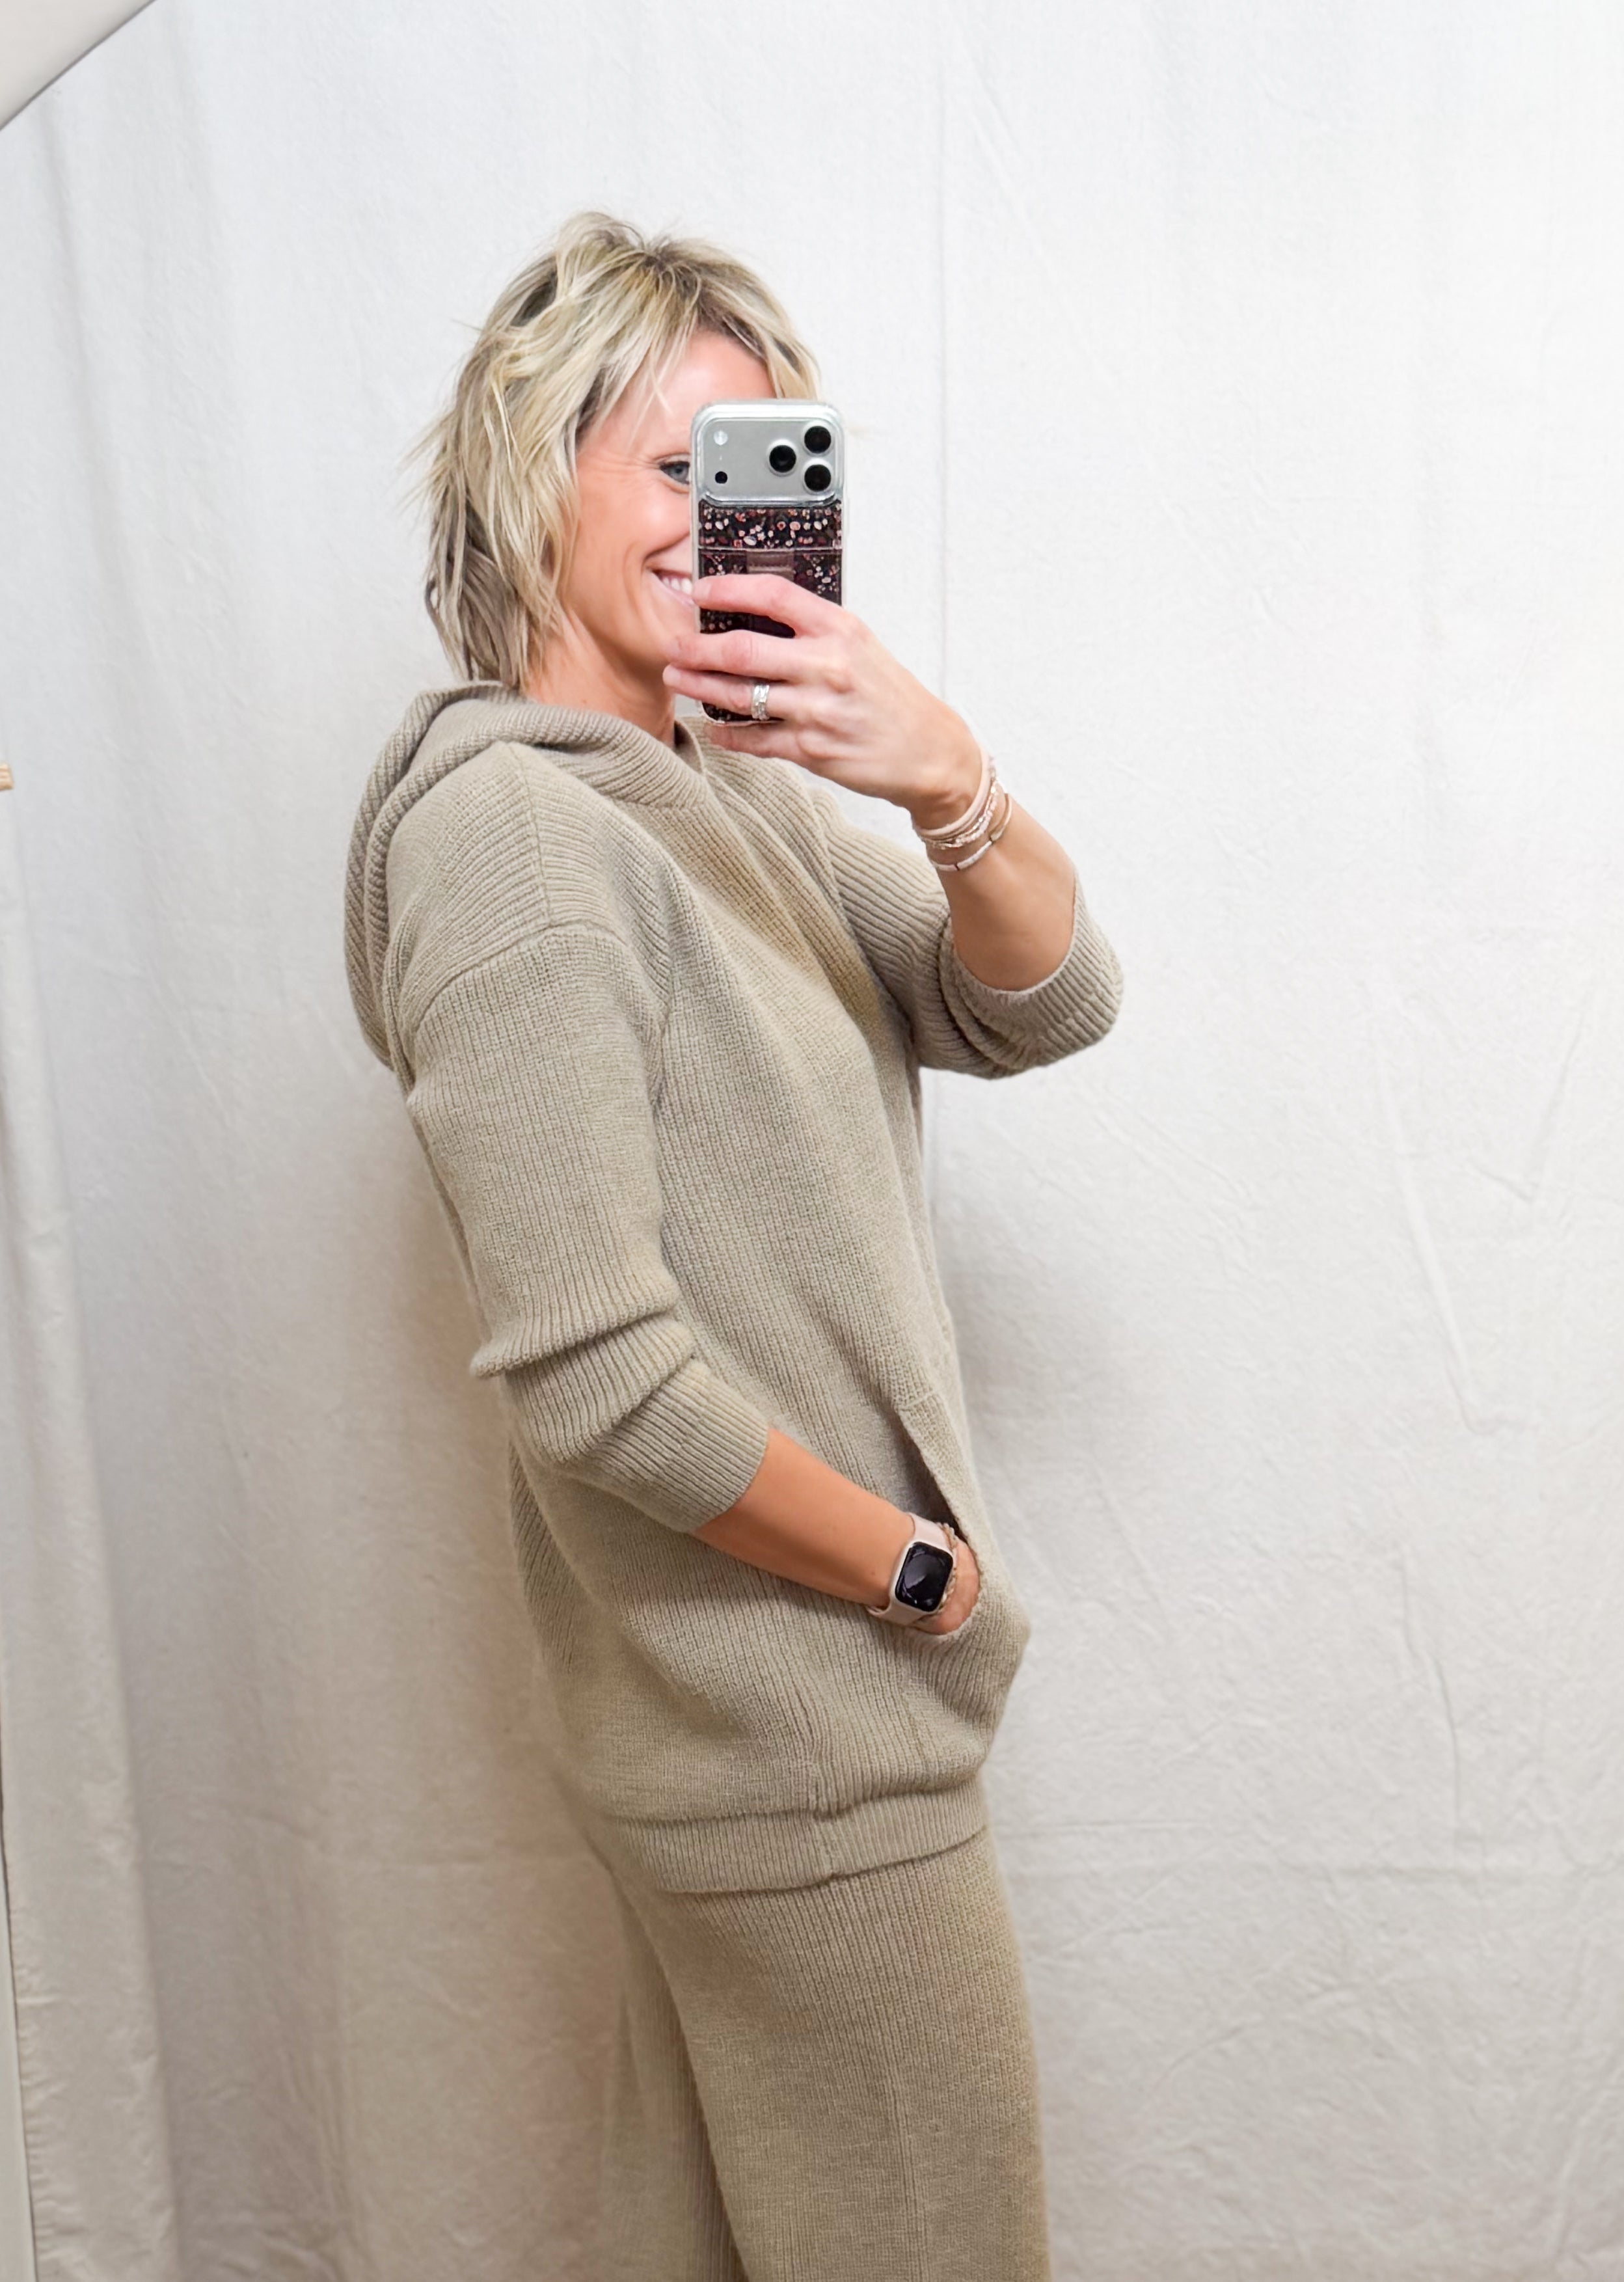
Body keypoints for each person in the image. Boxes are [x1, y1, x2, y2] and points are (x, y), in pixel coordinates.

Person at [342, 211, 1123, 2282]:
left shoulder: (729, 803)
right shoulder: (521, 836)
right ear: (536, 469)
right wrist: (914, 1573)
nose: (722, 512)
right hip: (803, 1747)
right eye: (675, 462)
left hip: (733, 1744)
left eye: (758, 463)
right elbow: (598, 1373)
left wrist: (941, 774)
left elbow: (1042, 999)